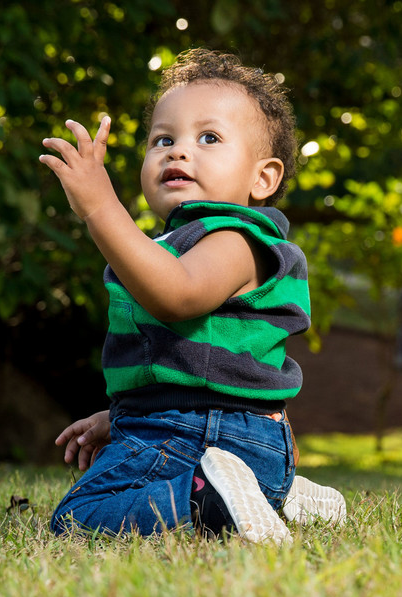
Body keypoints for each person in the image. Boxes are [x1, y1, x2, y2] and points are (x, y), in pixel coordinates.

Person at [39, 48, 345, 543]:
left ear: (262, 178)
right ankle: (276, 495)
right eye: (164, 139)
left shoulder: (237, 240)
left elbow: (176, 298)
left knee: (79, 516)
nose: (178, 151)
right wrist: (120, 419)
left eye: (209, 138)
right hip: (221, 435)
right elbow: (186, 365)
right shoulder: (177, 246)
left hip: (203, 435)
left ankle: (203, 498)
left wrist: (100, 207)